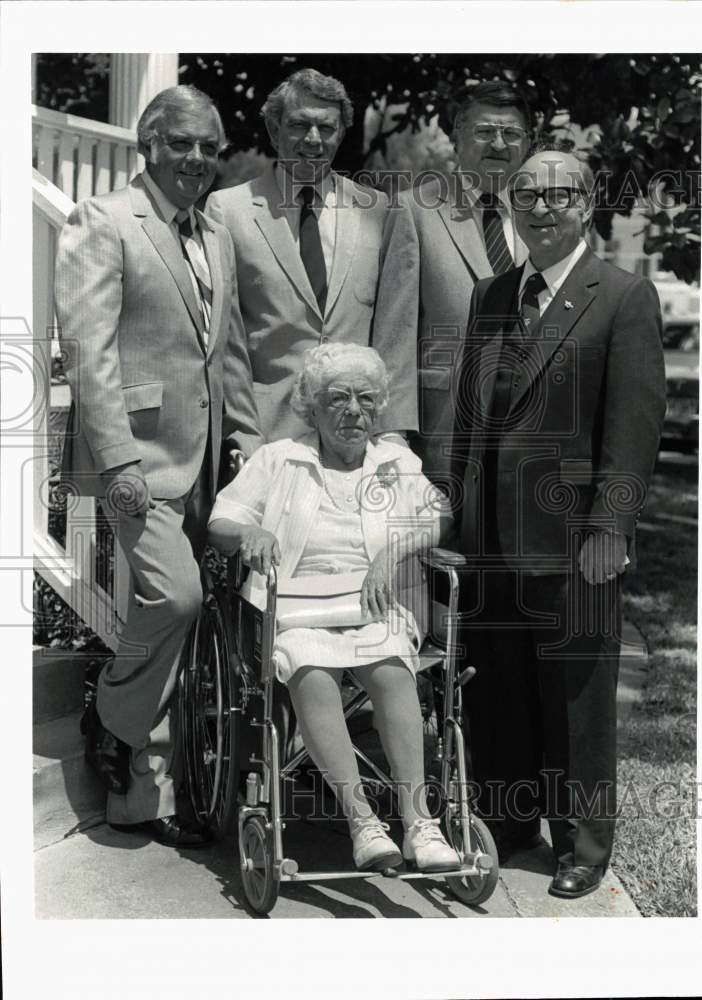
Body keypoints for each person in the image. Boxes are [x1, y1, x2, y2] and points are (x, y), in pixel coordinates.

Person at [451, 140, 666, 896]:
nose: (542, 209)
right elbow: (473, 420)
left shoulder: (622, 296)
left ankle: (580, 845)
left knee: (575, 696)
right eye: (528, 195)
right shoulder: (490, 295)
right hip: (490, 540)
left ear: (586, 204)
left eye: (559, 195)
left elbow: (634, 427)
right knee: (498, 687)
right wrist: (457, 522)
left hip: (576, 538)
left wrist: (611, 528)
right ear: (512, 205)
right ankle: (508, 825)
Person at [55, 85, 263, 847]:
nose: (198, 159)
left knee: (218, 618)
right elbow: (87, 350)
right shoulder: (103, 220)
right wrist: (116, 460)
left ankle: (145, 799)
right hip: (137, 462)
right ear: (149, 145)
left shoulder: (214, 232)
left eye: (209, 147)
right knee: (174, 600)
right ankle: (110, 714)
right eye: (182, 143)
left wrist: (248, 444)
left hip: (211, 461)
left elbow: (228, 354)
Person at [207, 343, 459, 873]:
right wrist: (251, 530)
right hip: (294, 609)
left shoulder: (396, 461)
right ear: (311, 406)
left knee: (393, 672)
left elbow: (442, 516)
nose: (353, 411)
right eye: (338, 398)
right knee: (312, 671)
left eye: (366, 399)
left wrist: (396, 549)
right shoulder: (278, 459)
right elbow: (220, 523)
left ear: (380, 407)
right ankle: (362, 820)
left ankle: (419, 824)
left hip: (374, 607)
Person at [205, 67, 416, 446]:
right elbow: (227, 340)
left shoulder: (379, 209)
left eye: (327, 127)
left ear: (341, 133)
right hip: (264, 435)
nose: (314, 139)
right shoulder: (227, 210)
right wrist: (242, 435)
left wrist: (393, 433)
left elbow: (395, 334)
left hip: (358, 433)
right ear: (274, 131)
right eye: (300, 125)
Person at [379, 80, 532, 486]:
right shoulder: (416, 209)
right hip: (443, 433)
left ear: (528, 144)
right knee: (442, 548)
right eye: (484, 132)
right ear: (456, 138)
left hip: (532, 435)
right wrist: (393, 434)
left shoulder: (546, 214)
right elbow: (395, 332)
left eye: (511, 133)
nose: (498, 144)